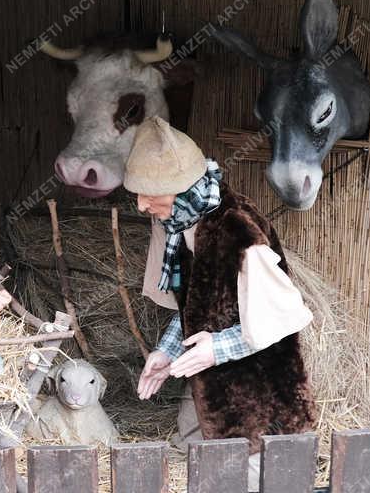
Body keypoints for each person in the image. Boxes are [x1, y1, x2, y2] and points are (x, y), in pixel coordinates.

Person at [130, 117, 315, 492]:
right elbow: (197, 303)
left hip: (261, 400)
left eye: (149, 193)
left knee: (256, 481)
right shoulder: (180, 227)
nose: (140, 204)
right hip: (213, 395)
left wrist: (216, 347)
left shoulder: (237, 230)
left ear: (179, 188)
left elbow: (283, 317)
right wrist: (166, 352)